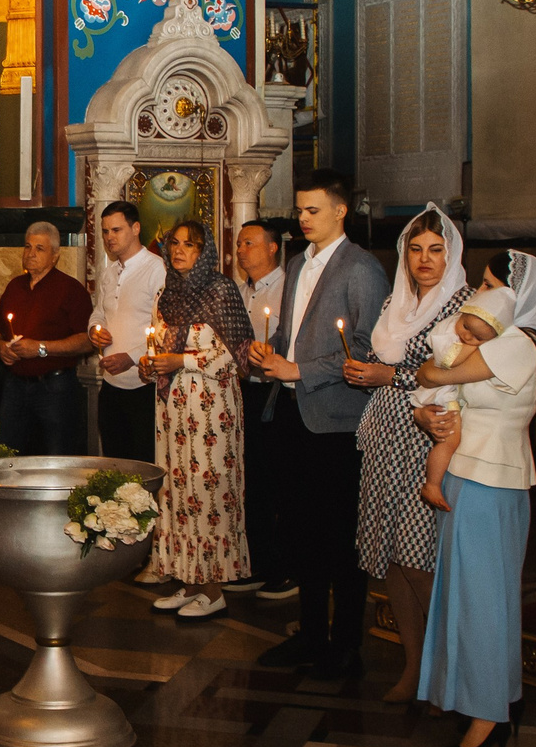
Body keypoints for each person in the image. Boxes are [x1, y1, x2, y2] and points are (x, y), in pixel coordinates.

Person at [248, 170, 390, 681]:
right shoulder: (296, 264)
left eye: (312, 210)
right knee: (301, 530)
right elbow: (290, 331)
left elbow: (369, 348)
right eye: (300, 210)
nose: (303, 219)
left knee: (339, 534)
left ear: (339, 211)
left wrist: (299, 369)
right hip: (291, 412)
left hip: (336, 421)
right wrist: (269, 351)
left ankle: (346, 641)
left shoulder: (362, 269)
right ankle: (309, 633)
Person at [412, 285, 536, 747]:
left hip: (488, 476)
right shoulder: (500, 344)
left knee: (483, 599)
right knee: (469, 595)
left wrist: (431, 374)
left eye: (494, 283)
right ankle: (485, 700)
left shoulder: (517, 343)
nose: (484, 292)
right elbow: (435, 384)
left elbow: (432, 370)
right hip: (471, 473)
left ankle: (489, 714)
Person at [341, 205, 470, 703]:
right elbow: (381, 360)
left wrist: (385, 376)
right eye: (415, 249)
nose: (424, 259)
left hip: (427, 435)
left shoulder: (462, 304)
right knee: (392, 556)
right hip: (385, 435)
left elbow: (451, 371)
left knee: (419, 556)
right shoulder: (397, 300)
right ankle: (413, 666)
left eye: (436, 250)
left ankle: (445, 667)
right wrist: (366, 370)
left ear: (451, 254)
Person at [140, 220, 253, 620]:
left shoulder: (221, 290)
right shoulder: (166, 293)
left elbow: (236, 356)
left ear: (205, 251)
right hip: (172, 410)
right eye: (175, 243)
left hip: (211, 410)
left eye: (190, 244)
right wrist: (149, 362)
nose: (179, 250)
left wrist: (180, 361)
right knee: (176, 492)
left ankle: (214, 588)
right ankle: (187, 581)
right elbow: (155, 341)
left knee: (208, 494)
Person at [0, 221, 92, 455]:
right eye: (27, 247)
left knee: (57, 454)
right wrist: (1, 347)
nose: (31, 254)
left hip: (54, 387)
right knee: (6, 453)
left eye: (39, 248)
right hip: (15, 385)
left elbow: (87, 340)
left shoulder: (70, 289)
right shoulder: (15, 287)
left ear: (55, 255)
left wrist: (41, 348)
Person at [233, 218, 293, 603]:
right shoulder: (239, 291)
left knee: (280, 482)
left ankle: (286, 568)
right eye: (238, 244)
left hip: (279, 395)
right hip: (245, 392)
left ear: (273, 248)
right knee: (249, 481)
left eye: (249, 243)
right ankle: (256, 563)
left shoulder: (290, 289)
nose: (241, 250)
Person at [87, 200, 165, 465]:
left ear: (136, 228)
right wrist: (94, 331)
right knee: (114, 463)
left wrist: (131, 357)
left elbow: (165, 330)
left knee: (144, 465)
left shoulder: (157, 269)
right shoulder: (110, 272)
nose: (109, 237)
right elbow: (100, 311)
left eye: (116, 230)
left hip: (145, 387)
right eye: (105, 231)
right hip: (111, 385)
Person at [413, 310, 503, 512]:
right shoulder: (451, 336)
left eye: (477, 337)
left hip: (442, 390)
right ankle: (432, 484)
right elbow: (448, 361)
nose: (467, 336)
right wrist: (475, 346)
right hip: (442, 394)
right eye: (465, 327)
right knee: (450, 441)